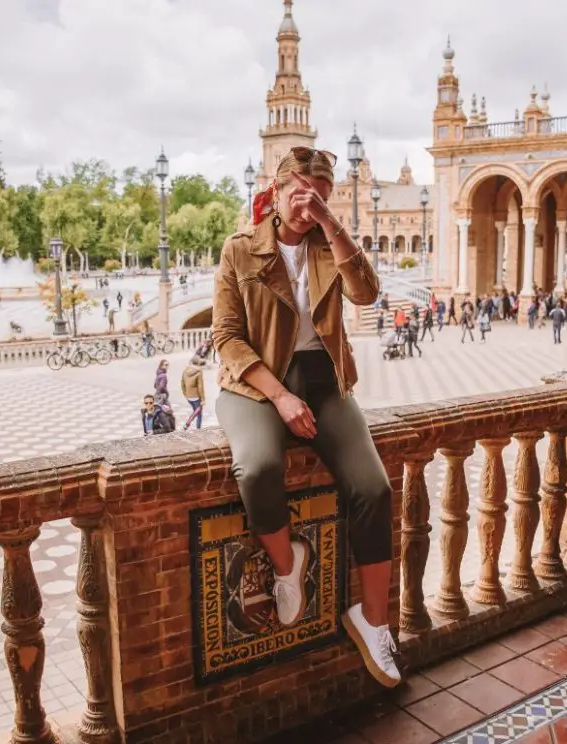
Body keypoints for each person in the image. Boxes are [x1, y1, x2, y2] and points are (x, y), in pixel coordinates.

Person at [212, 147, 398, 687]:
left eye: (319, 195)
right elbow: (226, 338)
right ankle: (287, 564)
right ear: (276, 188)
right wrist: (280, 398)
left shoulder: (327, 242)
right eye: (299, 194)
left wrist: (332, 225)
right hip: (254, 381)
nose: (306, 205)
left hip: (324, 381)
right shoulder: (241, 249)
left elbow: (366, 293)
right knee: (258, 467)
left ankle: (374, 621)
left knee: (374, 488)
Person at [180, 356, 207, 430]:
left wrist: (185, 394)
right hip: (196, 396)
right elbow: (200, 387)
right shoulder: (199, 372)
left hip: (188, 396)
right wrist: (203, 399)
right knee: (199, 413)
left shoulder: (185, 370)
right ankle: (192, 426)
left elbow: (182, 383)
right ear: (198, 363)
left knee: (196, 411)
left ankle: (191, 425)